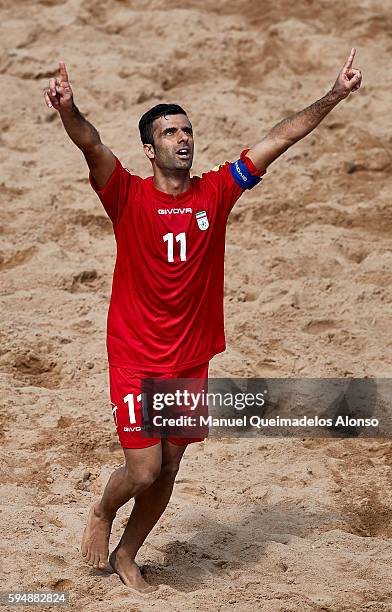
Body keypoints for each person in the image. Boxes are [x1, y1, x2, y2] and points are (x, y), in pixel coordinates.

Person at [43, 48, 362, 591]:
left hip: (190, 357)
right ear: (149, 149)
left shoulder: (217, 191)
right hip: (136, 354)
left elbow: (278, 139)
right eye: (168, 133)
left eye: (186, 130)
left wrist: (334, 95)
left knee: (169, 468)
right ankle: (102, 510)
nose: (182, 139)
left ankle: (128, 553)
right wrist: (69, 111)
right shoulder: (125, 193)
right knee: (142, 470)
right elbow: (91, 145)